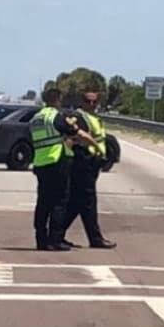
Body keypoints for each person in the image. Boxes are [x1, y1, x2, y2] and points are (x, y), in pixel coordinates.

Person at [30, 88, 100, 251]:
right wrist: (95, 146)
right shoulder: (56, 116)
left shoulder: (36, 118)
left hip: (40, 163)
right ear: (57, 100)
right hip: (57, 161)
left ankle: (41, 240)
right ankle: (55, 240)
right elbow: (78, 134)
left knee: (43, 203)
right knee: (59, 202)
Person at [63, 92, 116, 249]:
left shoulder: (94, 118)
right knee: (88, 202)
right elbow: (76, 137)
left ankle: (56, 233)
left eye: (94, 101)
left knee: (77, 203)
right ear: (82, 101)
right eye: (88, 101)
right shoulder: (80, 117)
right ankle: (95, 239)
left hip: (92, 164)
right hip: (83, 162)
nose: (92, 104)